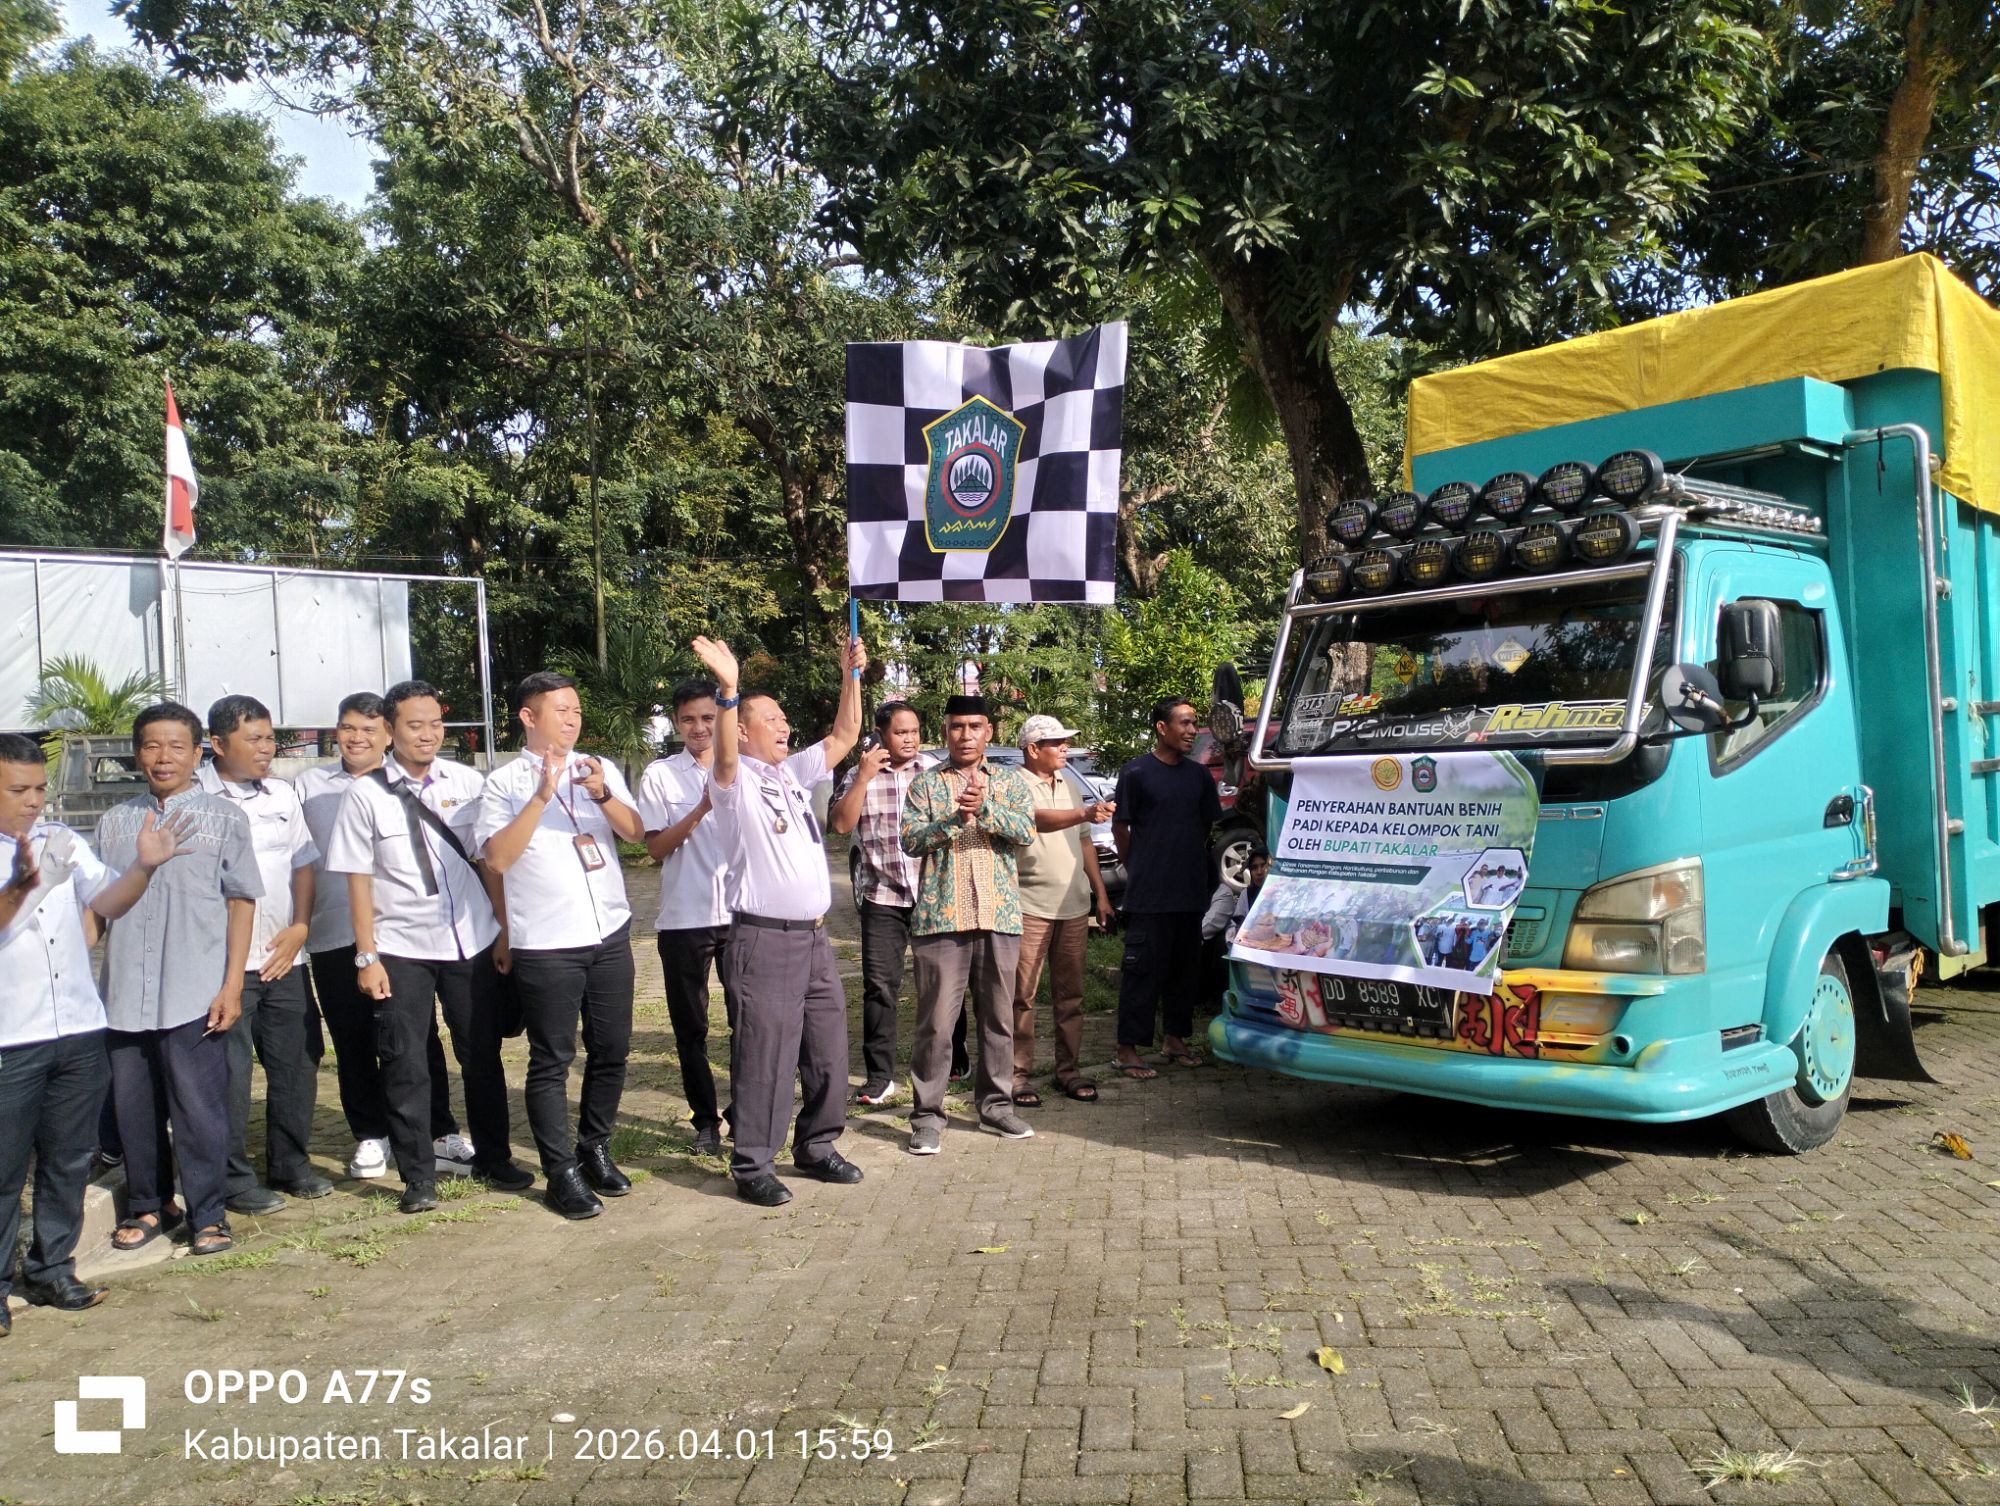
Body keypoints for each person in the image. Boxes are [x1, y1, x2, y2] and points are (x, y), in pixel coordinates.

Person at [0, 733, 196, 1329]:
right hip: (11, 1037)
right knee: (5, 1169)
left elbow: (109, 901)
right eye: (18, 790)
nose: (34, 801)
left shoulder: (60, 839)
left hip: (79, 1027)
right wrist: (22, 887)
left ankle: (52, 1268)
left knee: (68, 1158)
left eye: (40, 788)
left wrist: (144, 867)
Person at [325, 679, 533, 1215]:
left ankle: (494, 1157)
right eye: (415, 725)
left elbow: (488, 861)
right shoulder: (364, 795)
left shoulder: (467, 782)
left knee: (481, 1053)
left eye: (436, 723)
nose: (428, 734)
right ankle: (418, 1176)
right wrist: (366, 957)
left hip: (471, 940)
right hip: (401, 947)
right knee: (405, 1060)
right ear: (389, 730)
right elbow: (357, 881)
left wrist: (502, 929)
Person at [690, 632, 867, 1206]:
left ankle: (816, 1145)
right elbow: (722, 754)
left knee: (827, 1049)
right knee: (766, 1055)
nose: (784, 725)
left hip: (814, 940)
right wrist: (729, 691)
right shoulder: (732, 780)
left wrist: (851, 675)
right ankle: (752, 1164)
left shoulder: (790, 772)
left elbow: (844, 736)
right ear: (743, 730)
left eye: (784, 717)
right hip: (763, 942)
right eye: (771, 719)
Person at [475, 671, 644, 1221]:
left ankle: (595, 1147)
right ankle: (559, 1171)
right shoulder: (503, 783)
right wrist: (542, 795)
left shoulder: (598, 767)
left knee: (612, 1048)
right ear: (529, 717)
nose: (572, 719)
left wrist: (602, 793)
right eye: (560, 710)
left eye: (576, 710)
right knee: (552, 1058)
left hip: (608, 932)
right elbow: (497, 858)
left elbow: (636, 832)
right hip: (547, 941)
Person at [99, 702, 262, 1258]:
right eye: (151, 745)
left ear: (198, 753)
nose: (163, 757)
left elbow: (241, 902)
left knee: (198, 1109)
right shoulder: (115, 822)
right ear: (137, 754)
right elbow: (98, 904)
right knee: (134, 1109)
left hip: (195, 991)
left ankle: (208, 1214)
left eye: (175, 746)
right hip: (125, 993)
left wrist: (232, 985)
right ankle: (150, 1204)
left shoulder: (225, 818)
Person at [298, 692, 466, 1181]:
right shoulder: (309, 786)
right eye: (348, 728)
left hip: (397, 937)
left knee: (415, 1039)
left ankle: (438, 1129)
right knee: (351, 1039)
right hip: (334, 935)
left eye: (369, 729)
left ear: (387, 734)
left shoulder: (407, 784)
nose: (357, 738)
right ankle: (371, 1134)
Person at [198, 694, 330, 1211]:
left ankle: (291, 1165)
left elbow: (302, 863)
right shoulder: (196, 798)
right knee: (228, 1075)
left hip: (284, 957)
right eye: (253, 738)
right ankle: (233, 1179)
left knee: (297, 1062)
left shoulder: (282, 794)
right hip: (223, 966)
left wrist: (300, 926)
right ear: (217, 744)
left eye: (270, 738)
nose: (266, 748)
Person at [899, 695, 1038, 1153]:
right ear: (945, 732)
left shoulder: (1010, 781)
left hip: (999, 915)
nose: (965, 735)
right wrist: (957, 818)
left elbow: (1026, 831)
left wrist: (986, 810)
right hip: (941, 919)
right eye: (957, 726)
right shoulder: (925, 784)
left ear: (988, 732)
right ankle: (927, 1116)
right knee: (936, 1025)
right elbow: (911, 841)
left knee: (998, 1019)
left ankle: (996, 1107)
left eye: (975, 726)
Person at [828, 700, 965, 1105]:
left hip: (934, 895)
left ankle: (954, 1061)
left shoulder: (937, 773)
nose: (910, 739)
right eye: (901, 732)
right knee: (880, 986)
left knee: (943, 984)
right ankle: (879, 1076)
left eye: (914, 731)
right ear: (881, 735)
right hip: (882, 897)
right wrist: (863, 777)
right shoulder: (859, 774)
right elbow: (840, 825)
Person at [637, 680, 737, 1157]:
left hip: (740, 915)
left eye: (708, 718)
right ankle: (705, 1121)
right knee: (691, 1028)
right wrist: (700, 808)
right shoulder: (660, 776)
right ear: (677, 723)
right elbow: (656, 847)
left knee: (748, 1020)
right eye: (689, 719)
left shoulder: (744, 768)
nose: (699, 728)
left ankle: (745, 1113)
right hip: (684, 919)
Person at [1111, 696, 1223, 1080]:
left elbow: (1206, 826)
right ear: (1162, 728)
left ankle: (1175, 1039)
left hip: (1189, 893)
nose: (1192, 730)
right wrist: (1138, 866)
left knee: (1184, 972)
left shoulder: (1199, 776)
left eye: (1194, 723)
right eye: (1184, 723)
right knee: (1142, 971)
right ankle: (1127, 1050)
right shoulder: (1136, 772)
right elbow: (1120, 827)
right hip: (1149, 895)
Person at [1011, 715, 1114, 1106]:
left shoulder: (1069, 783)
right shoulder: (1013, 785)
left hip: (1073, 906)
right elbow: (1034, 820)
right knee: (1022, 997)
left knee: (1071, 996)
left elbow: (1085, 842)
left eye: (1065, 741)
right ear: (1033, 748)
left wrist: (1100, 894)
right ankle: (1017, 1076)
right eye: (1056, 742)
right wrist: (1085, 813)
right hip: (1029, 906)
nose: (1065, 748)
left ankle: (1067, 1071)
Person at [1201, 842, 1269, 1001]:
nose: (1259, 872)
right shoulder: (1247, 894)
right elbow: (1239, 922)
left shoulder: (1280, 894)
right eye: (1254, 868)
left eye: (1263, 866)